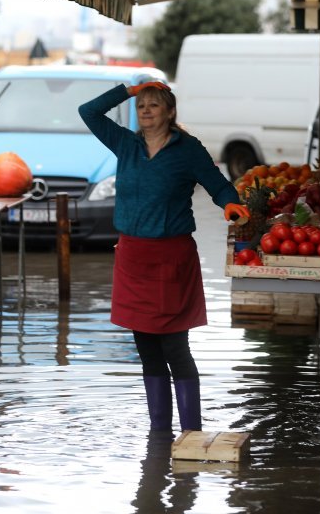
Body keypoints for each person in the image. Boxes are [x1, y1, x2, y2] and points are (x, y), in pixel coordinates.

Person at [78, 80, 249, 433]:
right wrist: (128, 89)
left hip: (172, 257)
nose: (145, 110)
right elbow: (88, 111)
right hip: (132, 257)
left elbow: (217, 184)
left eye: (154, 104)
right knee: (147, 349)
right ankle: (159, 434)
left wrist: (230, 203)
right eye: (141, 105)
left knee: (175, 346)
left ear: (170, 112)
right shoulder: (125, 143)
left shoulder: (188, 150)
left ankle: (191, 432)